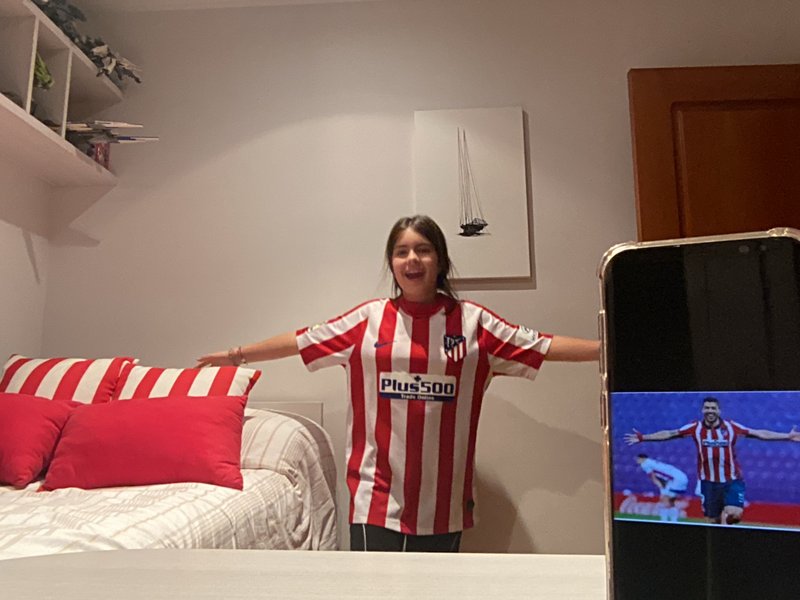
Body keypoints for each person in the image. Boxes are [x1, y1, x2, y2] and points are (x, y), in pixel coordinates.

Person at [197, 214, 599, 551]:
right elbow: (300, 340)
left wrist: (608, 346)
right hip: (373, 498)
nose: (412, 259)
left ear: (440, 260)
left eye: (423, 249)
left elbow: (544, 345)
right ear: (391, 263)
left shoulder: (474, 323)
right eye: (401, 251)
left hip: (444, 504)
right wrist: (237, 355)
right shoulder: (366, 321)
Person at [625, 396, 800, 525]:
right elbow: (670, 433)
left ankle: (728, 519)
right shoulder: (695, 427)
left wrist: (787, 436)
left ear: (719, 411)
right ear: (703, 410)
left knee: (735, 514)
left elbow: (759, 433)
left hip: (732, 480)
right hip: (708, 483)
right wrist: (644, 437)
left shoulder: (731, 427)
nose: (710, 411)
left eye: (713, 408)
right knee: (712, 521)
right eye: (707, 408)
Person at [634, 454, 688, 522]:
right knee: (670, 502)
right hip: (681, 477)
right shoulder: (652, 462)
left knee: (664, 501)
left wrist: (661, 487)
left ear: (642, 458)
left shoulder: (645, 464)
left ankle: (664, 521)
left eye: (638, 458)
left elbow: (653, 477)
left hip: (675, 479)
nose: (637, 460)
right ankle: (673, 521)